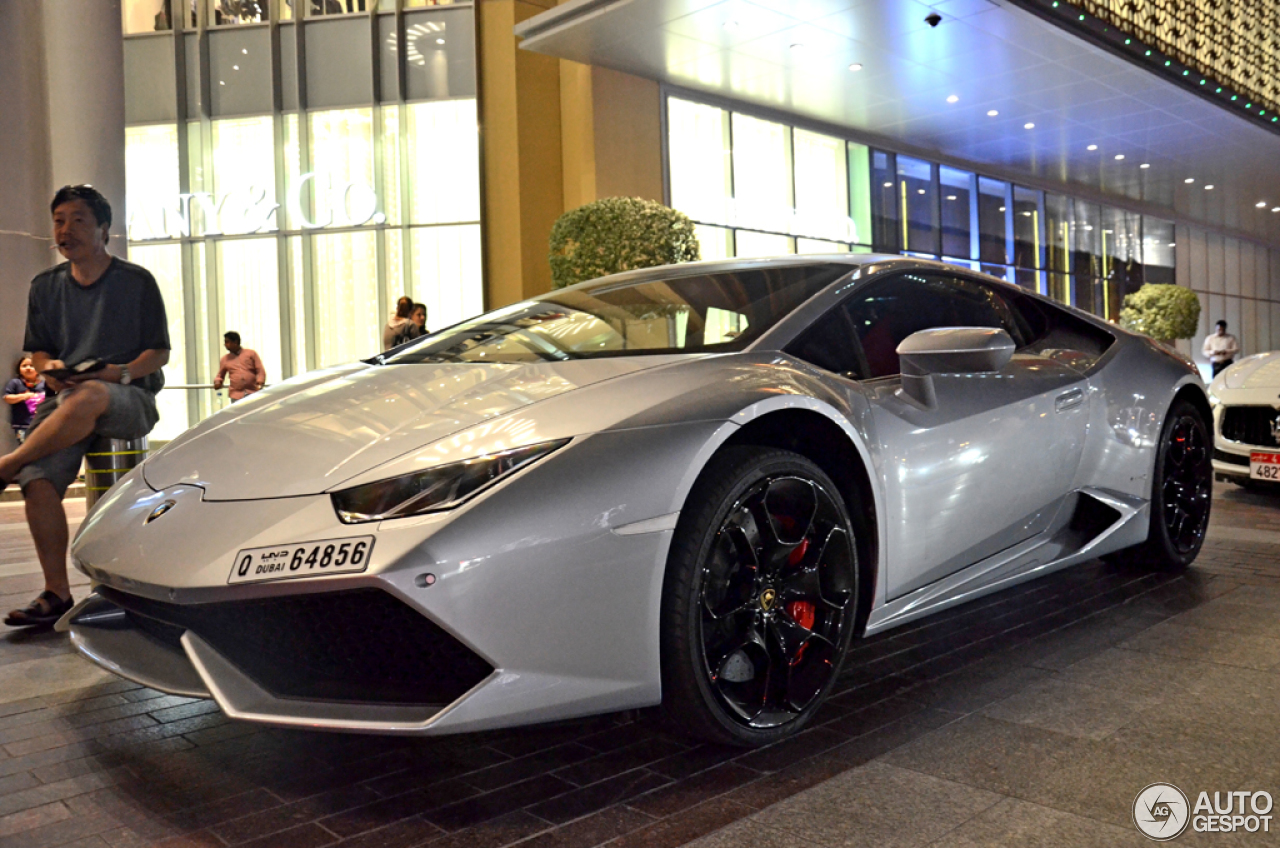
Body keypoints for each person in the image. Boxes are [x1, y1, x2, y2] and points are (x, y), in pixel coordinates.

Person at [2, 185, 170, 628]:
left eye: (78, 220)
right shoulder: (45, 286)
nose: (65, 230)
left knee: (93, 394)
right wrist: (50, 368)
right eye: (59, 220)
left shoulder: (136, 282)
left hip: (129, 396)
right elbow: (37, 353)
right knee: (36, 481)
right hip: (68, 397)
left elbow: (158, 352)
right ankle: (56, 592)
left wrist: (121, 374)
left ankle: (9, 461)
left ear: (103, 231)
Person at [213, 331, 266, 401]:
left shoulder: (251, 354)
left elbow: (260, 371)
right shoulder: (225, 359)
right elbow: (220, 375)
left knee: (254, 411)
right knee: (238, 412)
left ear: (235, 342)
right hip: (236, 395)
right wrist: (217, 382)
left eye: (227, 342)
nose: (225, 344)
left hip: (253, 392)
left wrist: (260, 383)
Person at [4, 357, 47, 443]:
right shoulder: (15, 383)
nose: (28, 368)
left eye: (32, 366)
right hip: (22, 425)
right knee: (26, 448)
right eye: (24, 366)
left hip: (41, 424)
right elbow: (7, 398)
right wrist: (25, 396)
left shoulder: (45, 384)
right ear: (19, 369)